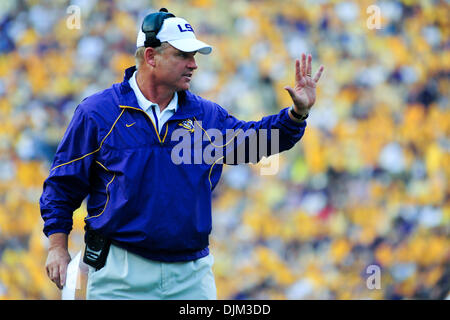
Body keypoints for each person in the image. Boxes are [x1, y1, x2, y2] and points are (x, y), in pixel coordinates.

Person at [40, 8, 324, 300]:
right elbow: (63, 185)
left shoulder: (205, 115)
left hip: (190, 274)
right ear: (151, 57)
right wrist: (57, 247)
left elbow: (254, 143)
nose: (193, 64)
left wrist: (296, 115)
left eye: (194, 56)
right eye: (183, 55)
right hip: (120, 273)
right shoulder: (98, 113)